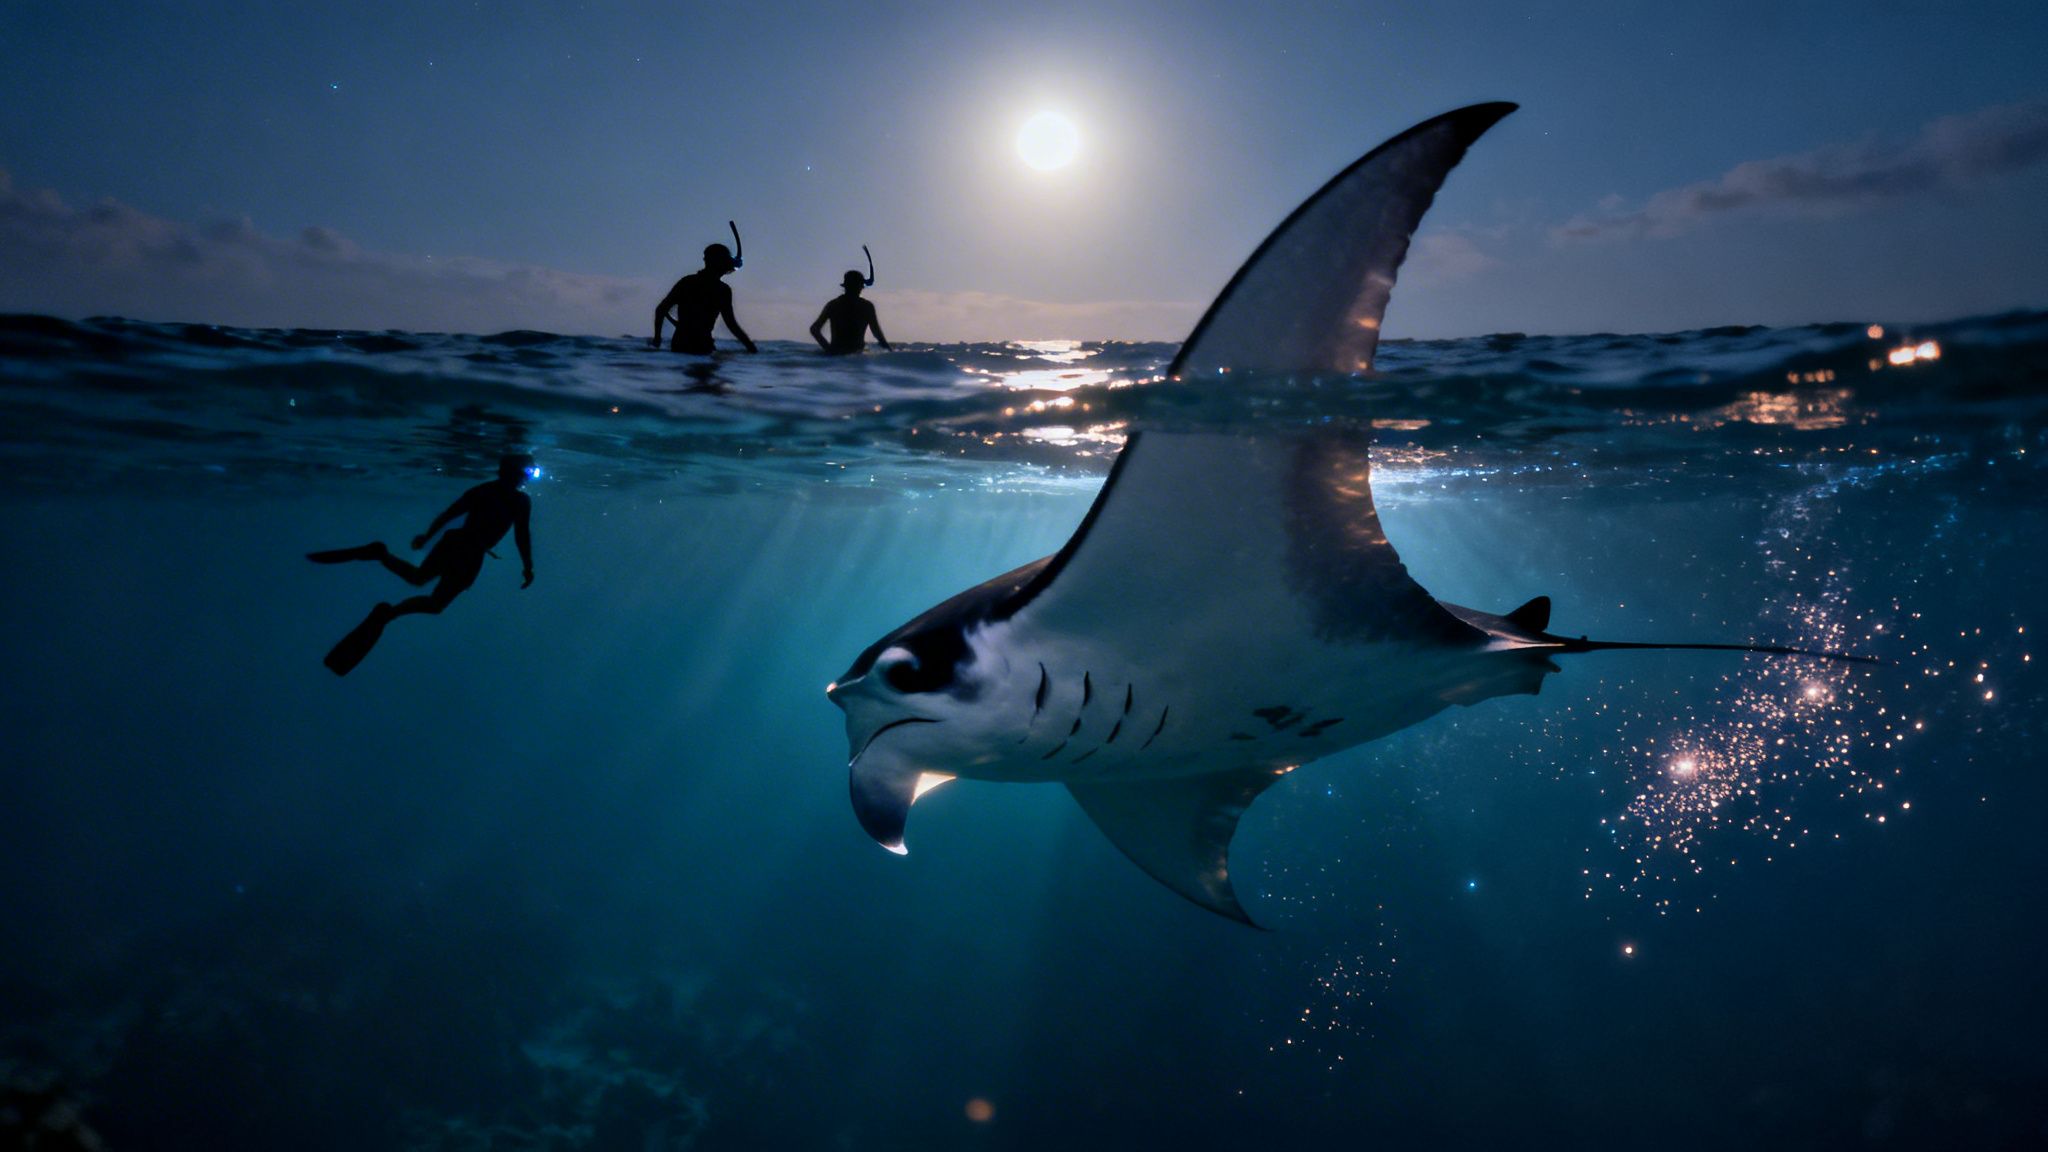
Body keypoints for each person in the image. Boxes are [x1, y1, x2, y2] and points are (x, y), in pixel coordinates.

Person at [308, 453, 536, 675]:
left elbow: (449, 515)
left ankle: (381, 558)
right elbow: (521, 535)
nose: (528, 476)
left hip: (456, 543)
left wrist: (428, 536)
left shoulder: (484, 491)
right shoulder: (518, 501)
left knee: (418, 579)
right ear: (517, 472)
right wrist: (527, 566)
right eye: (528, 471)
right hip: (469, 551)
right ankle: (390, 609)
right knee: (435, 603)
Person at [652, 243, 757, 354]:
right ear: (721, 262)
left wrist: (657, 339)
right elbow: (731, 324)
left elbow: (661, 309)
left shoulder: (687, 282)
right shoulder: (722, 290)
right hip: (702, 346)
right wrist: (751, 347)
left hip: (680, 344)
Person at [810, 270, 891, 354]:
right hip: (857, 356)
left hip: (836, 355)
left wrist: (828, 349)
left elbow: (814, 329)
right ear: (861, 287)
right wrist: (889, 351)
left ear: (845, 286)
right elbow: (877, 333)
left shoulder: (833, 304)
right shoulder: (866, 306)